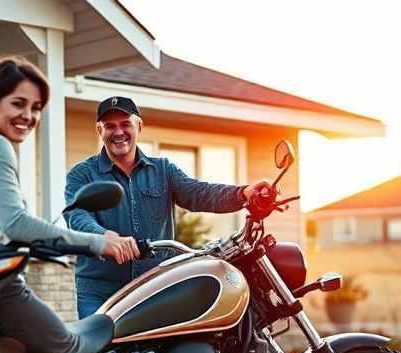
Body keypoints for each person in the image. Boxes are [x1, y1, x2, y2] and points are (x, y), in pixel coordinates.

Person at [0, 57, 136, 353]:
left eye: (36, 108)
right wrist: (98, 243)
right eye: (18, 104)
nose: (28, 115)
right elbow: (16, 223)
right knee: (73, 347)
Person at [64, 96, 270, 319]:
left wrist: (242, 193)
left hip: (154, 287)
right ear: (99, 130)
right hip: (100, 291)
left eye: (125, 124)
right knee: (99, 352)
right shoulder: (82, 174)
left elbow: (198, 193)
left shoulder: (163, 170)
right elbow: (77, 215)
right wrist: (103, 237)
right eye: (109, 126)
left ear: (139, 126)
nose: (118, 132)